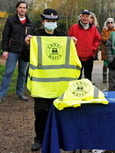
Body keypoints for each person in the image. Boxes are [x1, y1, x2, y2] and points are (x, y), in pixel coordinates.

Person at [24, 8, 81, 151]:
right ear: (43, 21)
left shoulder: (63, 37)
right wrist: (27, 45)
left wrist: (73, 44)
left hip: (59, 85)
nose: (51, 23)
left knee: (60, 113)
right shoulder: (35, 36)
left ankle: (59, 139)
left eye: (54, 21)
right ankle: (39, 139)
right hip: (41, 85)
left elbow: (71, 58)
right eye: (48, 21)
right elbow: (25, 58)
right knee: (41, 113)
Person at [0, 1, 35, 103]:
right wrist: (5, 49)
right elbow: (5, 35)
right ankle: (2, 94)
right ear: (17, 9)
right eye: (20, 7)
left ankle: (20, 93)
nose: (22, 9)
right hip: (13, 51)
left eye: (24, 7)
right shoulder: (11, 21)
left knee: (23, 73)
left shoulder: (30, 23)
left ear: (26, 10)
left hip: (25, 52)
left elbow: (34, 38)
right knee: (8, 72)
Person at [68, 9, 101, 81]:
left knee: (88, 78)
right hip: (76, 58)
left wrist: (93, 49)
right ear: (80, 17)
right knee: (76, 78)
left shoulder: (94, 28)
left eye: (87, 16)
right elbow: (69, 39)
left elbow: (98, 40)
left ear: (89, 18)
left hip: (89, 58)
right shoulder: (74, 27)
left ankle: (87, 91)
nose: (85, 18)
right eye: (83, 16)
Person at [101, 18, 115, 83]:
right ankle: (104, 78)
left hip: (114, 50)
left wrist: (109, 38)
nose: (110, 24)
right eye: (108, 22)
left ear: (113, 23)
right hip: (105, 50)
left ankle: (112, 78)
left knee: (112, 65)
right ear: (106, 23)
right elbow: (103, 39)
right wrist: (111, 38)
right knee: (105, 65)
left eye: (111, 22)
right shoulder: (104, 30)